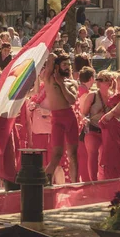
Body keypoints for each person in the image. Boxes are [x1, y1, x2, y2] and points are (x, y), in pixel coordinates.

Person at [43, 52, 79, 184]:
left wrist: (62, 84)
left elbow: (72, 100)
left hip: (70, 117)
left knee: (73, 155)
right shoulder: (49, 78)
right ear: (57, 66)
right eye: (64, 64)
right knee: (57, 154)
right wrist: (55, 55)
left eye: (69, 64)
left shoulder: (72, 82)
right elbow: (51, 57)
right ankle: (46, 182)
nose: (68, 67)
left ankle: (75, 184)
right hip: (57, 119)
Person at [80, 70, 112, 181]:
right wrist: (84, 118)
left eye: (102, 80)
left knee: (106, 158)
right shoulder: (92, 96)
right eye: (98, 80)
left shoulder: (113, 97)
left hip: (107, 131)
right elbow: (83, 112)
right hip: (93, 129)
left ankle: (104, 180)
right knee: (92, 156)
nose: (98, 82)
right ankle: (93, 182)